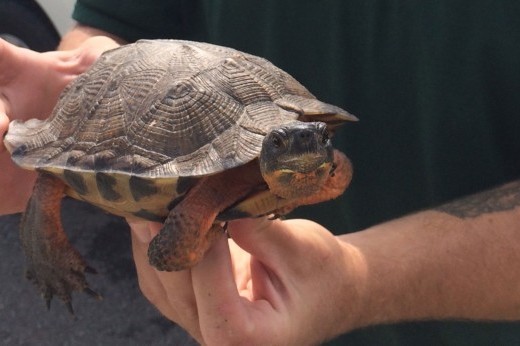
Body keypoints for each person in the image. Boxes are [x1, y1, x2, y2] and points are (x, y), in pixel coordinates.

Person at [1, 1, 520, 345]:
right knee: (53, 181)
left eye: (313, 141)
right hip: (255, 303)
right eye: (289, 143)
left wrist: (360, 282)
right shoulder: (237, 176)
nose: (312, 152)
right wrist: (78, 91)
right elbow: (113, 21)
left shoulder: (298, 166)